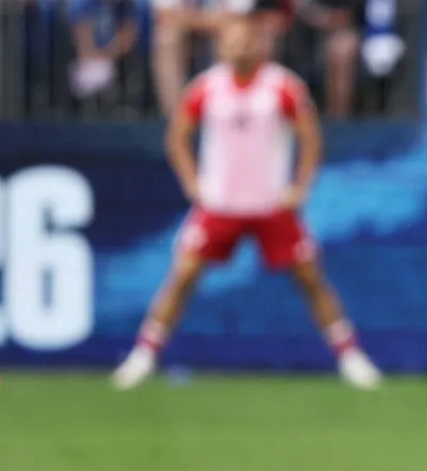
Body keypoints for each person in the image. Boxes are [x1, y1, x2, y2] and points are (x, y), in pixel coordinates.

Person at [113, 12, 381, 390]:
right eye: (233, 39)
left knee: (311, 279)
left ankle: (351, 356)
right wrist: (192, 183)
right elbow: (177, 138)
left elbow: (310, 138)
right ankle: (143, 355)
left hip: (271, 204)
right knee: (183, 276)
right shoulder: (206, 87)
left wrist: (299, 187)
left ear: (259, 44)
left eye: (247, 39)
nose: (240, 45)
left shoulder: (283, 87)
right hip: (219, 205)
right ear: (221, 46)